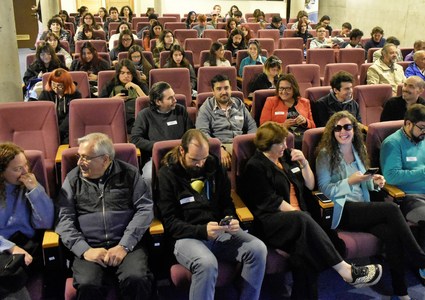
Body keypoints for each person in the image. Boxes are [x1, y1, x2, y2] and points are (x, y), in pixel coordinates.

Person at [241, 122, 383, 300]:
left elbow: (310, 185)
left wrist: (304, 163)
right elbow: (272, 202)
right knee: (305, 225)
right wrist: (300, 216)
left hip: (300, 221)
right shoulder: (255, 166)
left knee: (306, 253)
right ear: (267, 145)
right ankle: (345, 270)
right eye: (281, 143)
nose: (286, 146)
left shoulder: (285, 157)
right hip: (272, 222)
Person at [316, 111, 425, 300]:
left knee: (392, 235)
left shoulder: (359, 151)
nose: (343, 131)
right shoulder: (325, 155)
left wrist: (375, 182)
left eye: (348, 127)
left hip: (363, 208)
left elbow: (364, 182)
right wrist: (349, 181)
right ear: (332, 132)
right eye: (338, 128)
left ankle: (401, 292)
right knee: (391, 209)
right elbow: (324, 189)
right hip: (343, 210)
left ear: (354, 130)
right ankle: (419, 257)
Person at [156, 129, 267, 300]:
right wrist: (201, 231)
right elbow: (170, 223)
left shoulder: (215, 166)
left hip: (218, 231)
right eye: (194, 160)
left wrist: (231, 219)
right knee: (206, 263)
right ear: (182, 151)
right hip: (186, 236)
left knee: (257, 248)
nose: (200, 164)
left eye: (203, 158)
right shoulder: (167, 174)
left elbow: (226, 203)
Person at [55, 133, 154, 300]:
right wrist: (84, 250)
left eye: (85, 158)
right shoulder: (72, 179)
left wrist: (124, 245)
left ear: (105, 159)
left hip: (126, 244)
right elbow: (63, 219)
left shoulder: (130, 174)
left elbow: (145, 210)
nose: (79, 162)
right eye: (79, 156)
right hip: (90, 245)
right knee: (87, 284)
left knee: (137, 278)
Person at [0, 142, 54, 300]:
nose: (25, 172)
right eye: (17, 169)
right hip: (5, 249)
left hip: (25, 250)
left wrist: (35, 191)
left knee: (10, 282)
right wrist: (10, 247)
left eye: (26, 166)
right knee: (11, 287)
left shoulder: (30, 187)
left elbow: (46, 223)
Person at [129, 82, 194, 189]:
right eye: (170, 98)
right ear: (158, 101)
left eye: (174, 96)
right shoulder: (145, 115)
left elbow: (191, 133)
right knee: (149, 177)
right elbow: (135, 139)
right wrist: (158, 146)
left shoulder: (180, 110)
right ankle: (150, 204)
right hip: (155, 157)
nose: (175, 100)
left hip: (180, 155)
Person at [381, 104, 425, 252]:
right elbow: (391, 177)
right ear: (408, 124)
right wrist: (423, 172)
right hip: (409, 198)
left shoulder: (422, 139)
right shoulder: (393, 143)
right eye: (422, 127)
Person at [196, 74, 257, 168]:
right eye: (219, 89)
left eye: (226, 88)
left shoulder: (238, 103)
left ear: (231, 88)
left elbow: (251, 124)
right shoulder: (206, 108)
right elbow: (202, 133)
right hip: (222, 144)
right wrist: (219, 148)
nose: (223, 92)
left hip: (240, 143)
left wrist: (250, 142)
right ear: (213, 91)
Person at [260, 74, 315, 149]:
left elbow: (313, 126)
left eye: (288, 88)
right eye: (281, 88)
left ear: (294, 89)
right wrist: (282, 126)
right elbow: (264, 125)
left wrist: (305, 121)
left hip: (302, 136)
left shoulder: (305, 102)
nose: (284, 92)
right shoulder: (271, 101)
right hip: (281, 137)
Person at [99, 59, 148, 133]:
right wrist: (114, 99)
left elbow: (148, 102)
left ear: (133, 74)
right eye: (122, 73)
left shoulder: (140, 85)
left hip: (137, 117)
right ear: (118, 74)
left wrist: (137, 88)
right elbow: (99, 104)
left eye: (129, 73)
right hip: (117, 117)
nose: (126, 76)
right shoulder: (110, 85)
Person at [38, 69, 82, 144]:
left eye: (60, 86)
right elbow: (42, 114)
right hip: (51, 128)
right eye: (53, 84)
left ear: (66, 84)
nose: (56, 88)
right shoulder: (45, 94)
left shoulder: (76, 95)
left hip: (68, 129)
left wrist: (59, 131)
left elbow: (72, 116)